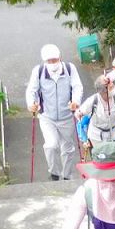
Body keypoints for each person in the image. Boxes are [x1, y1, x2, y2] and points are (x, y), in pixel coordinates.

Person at [25, 44, 83, 181]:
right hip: (47, 117)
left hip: (67, 116)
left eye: (54, 60)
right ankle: (54, 173)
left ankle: (67, 175)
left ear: (59, 58)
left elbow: (77, 87)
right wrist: (31, 104)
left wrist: (76, 101)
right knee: (51, 145)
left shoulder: (69, 69)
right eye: (49, 61)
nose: (52, 63)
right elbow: (31, 90)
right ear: (44, 61)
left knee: (68, 148)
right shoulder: (38, 71)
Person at [76, 74, 115, 152]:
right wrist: (84, 139)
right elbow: (80, 122)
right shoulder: (92, 101)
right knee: (100, 161)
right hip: (96, 139)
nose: (114, 89)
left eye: (113, 86)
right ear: (102, 91)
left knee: (114, 160)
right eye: (111, 88)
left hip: (114, 137)